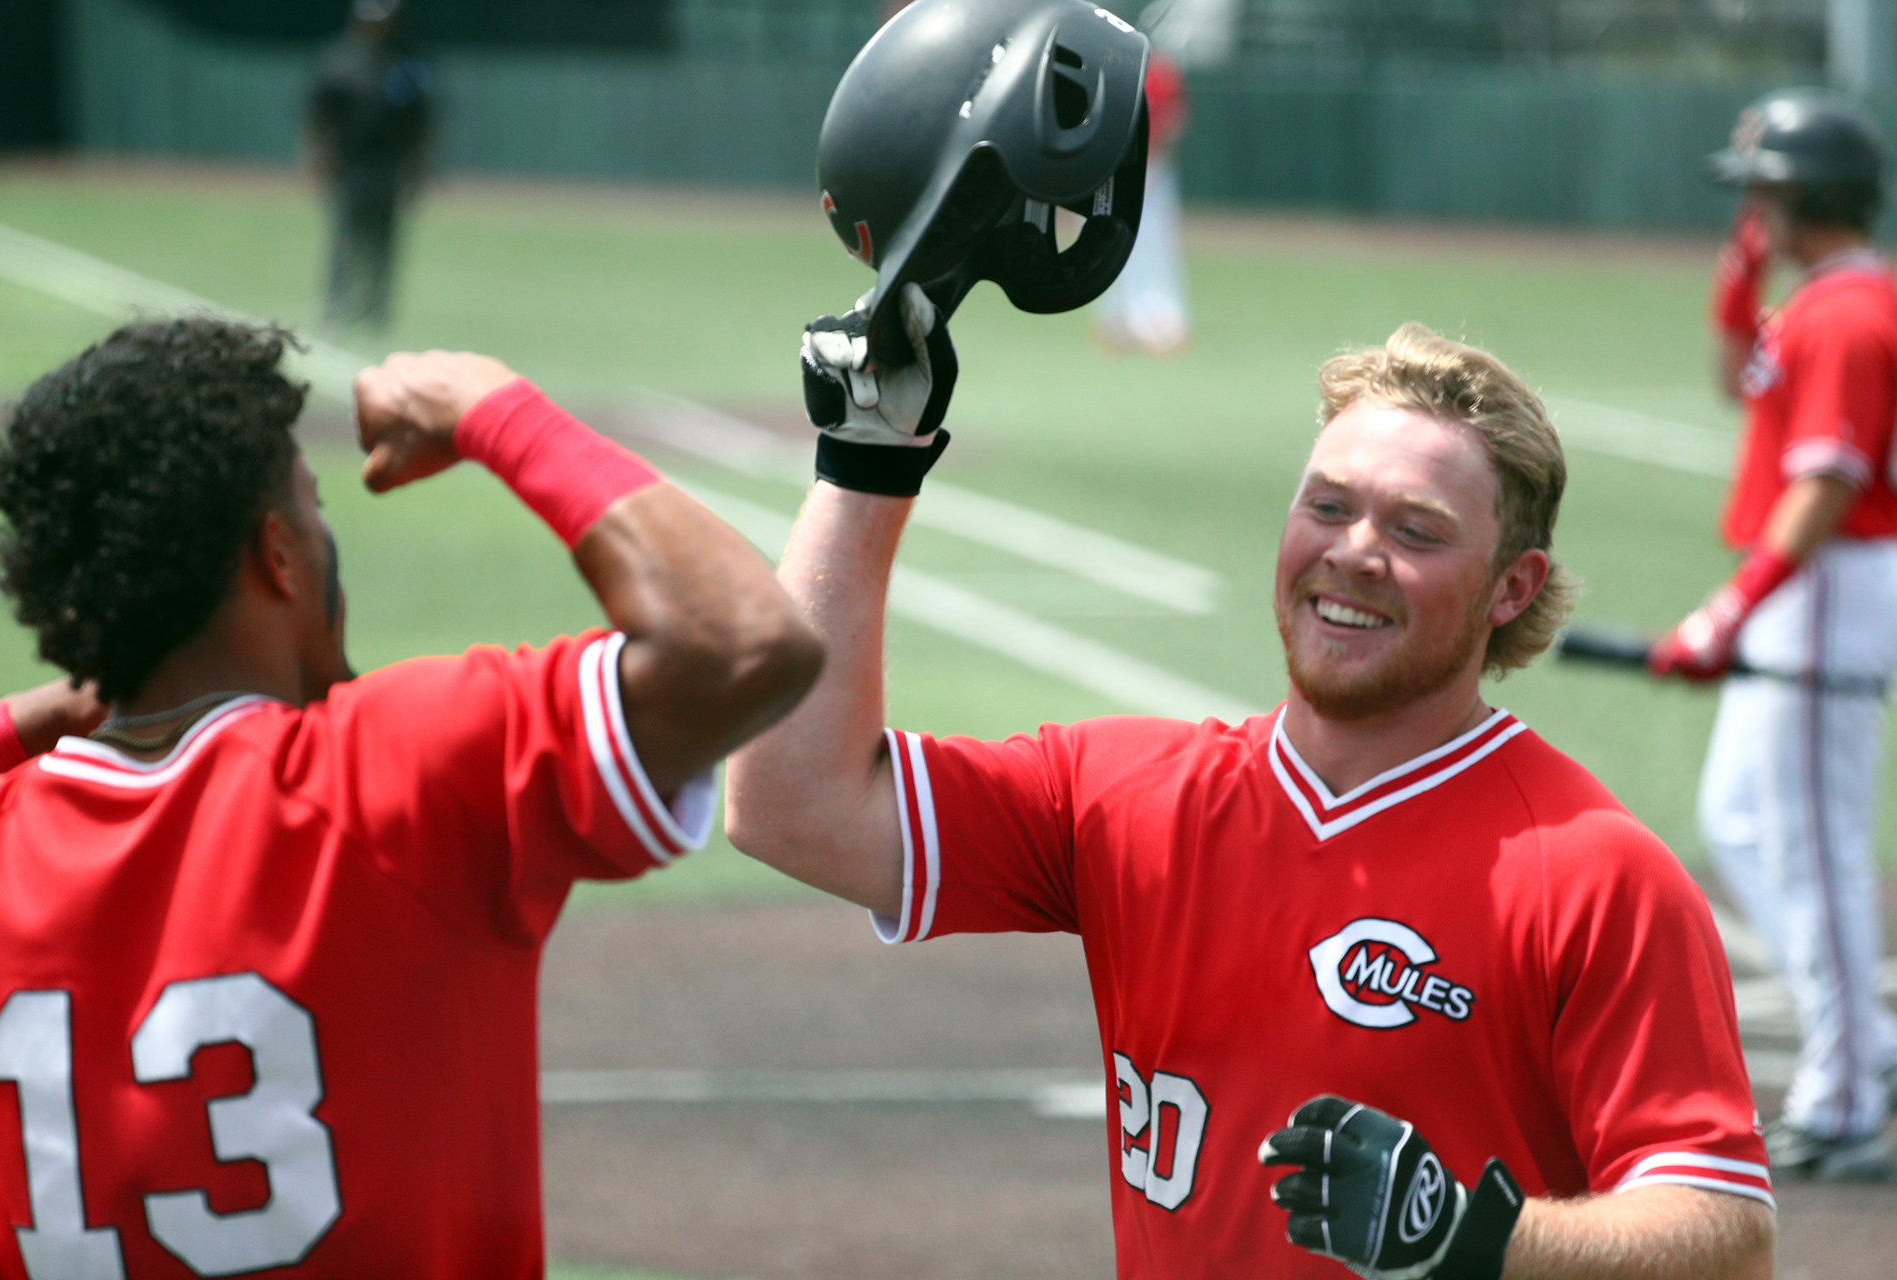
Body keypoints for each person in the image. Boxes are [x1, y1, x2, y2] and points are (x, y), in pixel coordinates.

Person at [729, 299, 1775, 1278]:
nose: (1354, 552)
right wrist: (866, 462)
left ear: (1513, 587)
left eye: (1416, 530)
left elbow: (1727, 1234)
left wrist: (1472, 1232)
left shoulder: (1593, 870)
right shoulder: (1127, 794)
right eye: (1328, 506)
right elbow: (790, 802)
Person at [0, 316, 821, 1278]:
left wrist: (14, 727)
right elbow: (747, 644)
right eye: (312, 503)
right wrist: (496, 413)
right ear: (279, 557)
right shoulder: (388, 775)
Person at [1649, 86, 1897, 1181]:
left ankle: (1849, 1095)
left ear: (1804, 193)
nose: (1749, 206)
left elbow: (1828, 483)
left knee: (1815, 847)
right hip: (1808, 585)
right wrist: (1739, 278)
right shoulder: (1820, 300)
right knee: (1740, 820)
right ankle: (1865, 1055)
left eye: (1762, 190)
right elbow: (1738, 379)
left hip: (1830, 583)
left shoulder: (1850, 312)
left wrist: (1725, 613)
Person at [305, 0, 431, 329]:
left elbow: (421, 120)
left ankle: (375, 309)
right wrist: (320, 156)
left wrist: (418, 167)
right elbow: (321, 114)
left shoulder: (407, 62)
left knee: (383, 242)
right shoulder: (337, 59)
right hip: (350, 164)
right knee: (344, 239)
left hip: (389, 164)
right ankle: (336, 305)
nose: (378, 26)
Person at [1092, 49, 1189, 355]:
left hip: (1149, 166)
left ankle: (1160, 320)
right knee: (1109, 241)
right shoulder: (1104, 72)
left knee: (1150, 239)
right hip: (1112, 169)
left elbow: (1172, 124)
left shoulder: (1159, 75)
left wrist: (1152, 164)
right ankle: (1121, 319)